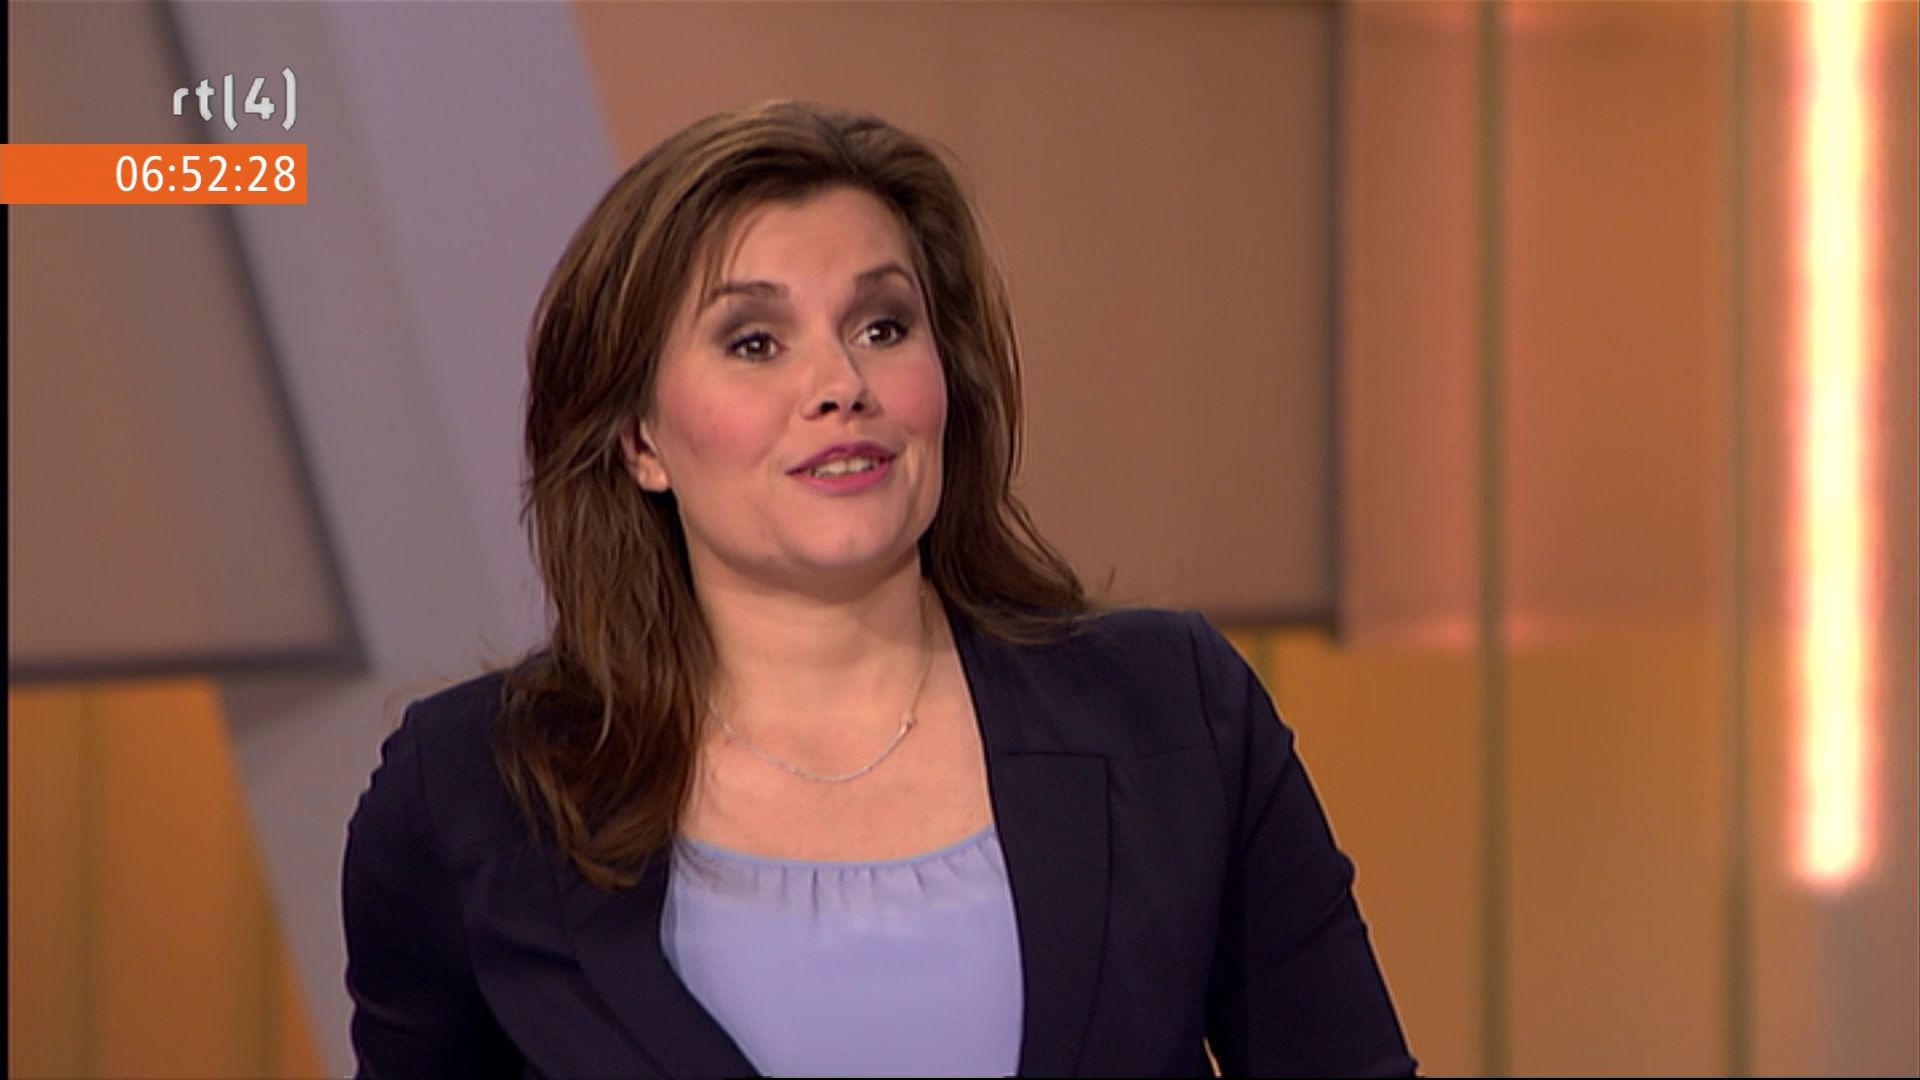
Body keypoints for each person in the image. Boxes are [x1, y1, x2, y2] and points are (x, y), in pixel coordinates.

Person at [342, 99, 1417, 1079]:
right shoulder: (473, 793)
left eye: (883, 327)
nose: (842, 385)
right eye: (755, 342)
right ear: (640, 441)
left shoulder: (1176, 716)